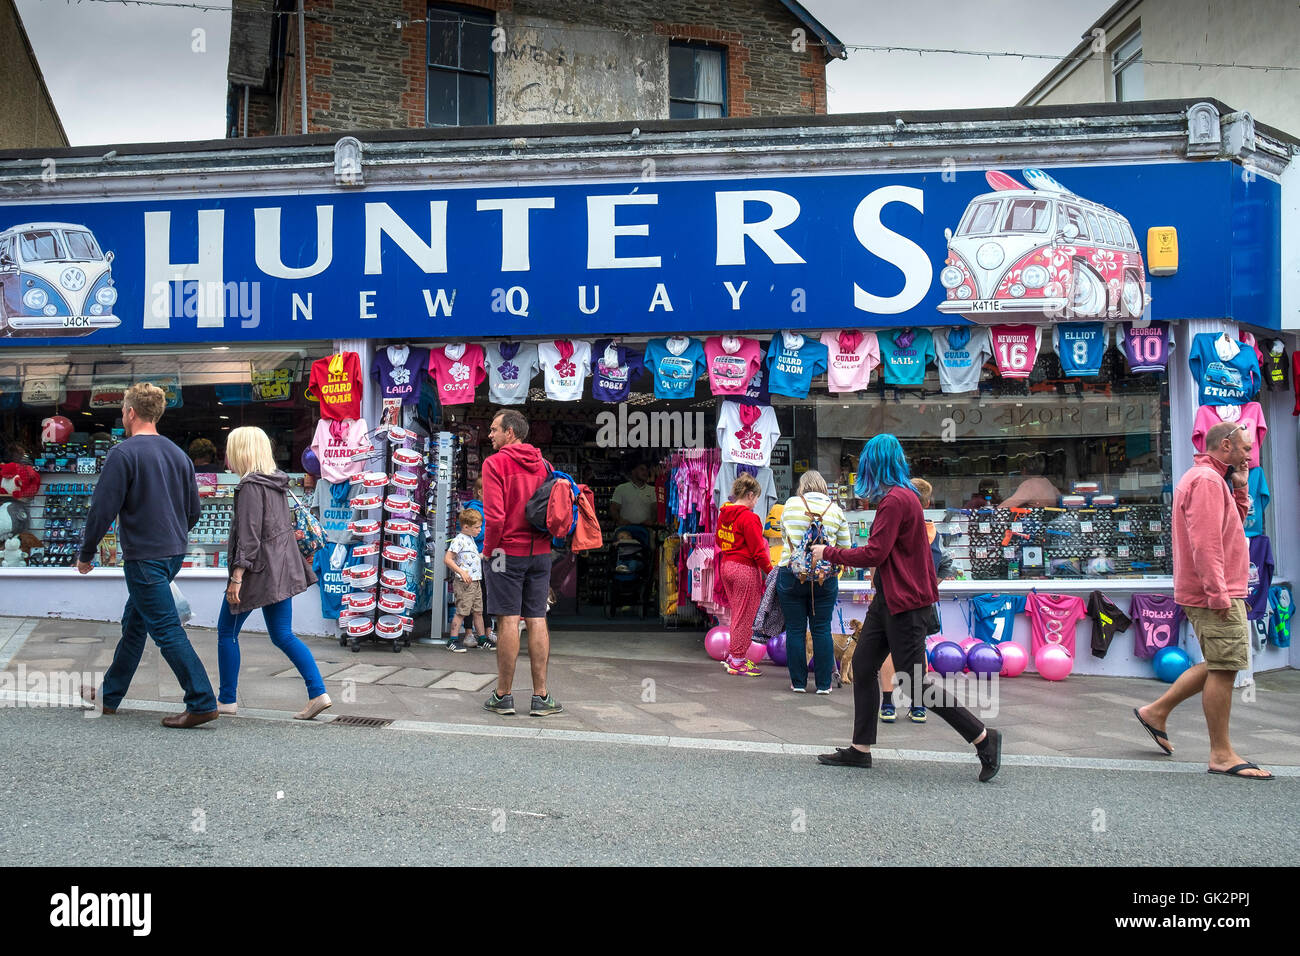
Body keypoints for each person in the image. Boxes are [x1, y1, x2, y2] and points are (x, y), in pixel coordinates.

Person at [812, 435, 1002, 782]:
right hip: (894, 600)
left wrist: (828, 552)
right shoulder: (904, 497)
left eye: (865, 463)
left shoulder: (894, 500)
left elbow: (874, 554)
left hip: (904, 604)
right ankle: (860, 749)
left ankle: (984, 738)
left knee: (915, 685)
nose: (861, 470)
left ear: (875, 464)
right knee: (866, 664)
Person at [1133, 421, 1273, 780]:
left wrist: (1240, 488)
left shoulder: (1212, 480)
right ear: (1225, 445)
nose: (1249, 455)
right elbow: (1205, 544)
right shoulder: (1207, 482)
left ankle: (1156, 712)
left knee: (1220, 663)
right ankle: (1222, 753)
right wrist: (1217, 593)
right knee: (1225, 668)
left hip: (1218, 588)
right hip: (1215, 592)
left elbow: (1231, 526)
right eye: (1244, 448)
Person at [76, 383, 219, 728]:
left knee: (166, 629)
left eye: (123, 411)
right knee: (135, 623)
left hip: (144, 556)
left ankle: (201, 700)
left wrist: (86, 553)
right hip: (171, 551)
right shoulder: (178, 454)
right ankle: (109, 697)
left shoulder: (124, 453)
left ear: (130, 412)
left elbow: (101, 509)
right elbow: (193, 510)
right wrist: (174, 534)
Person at [217, 426, 331, 720]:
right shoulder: (275, 483)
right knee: (282, 634)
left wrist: (236, 577)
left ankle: (227, 699)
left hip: (257, 571)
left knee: (226, 632)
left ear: (241, 451)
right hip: (280, 568)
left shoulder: (250, 486)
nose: (227, 455)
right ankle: (318, 692)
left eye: (231, 448)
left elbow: (250, 536)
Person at [481, 409, 562, 717]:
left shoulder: (494, 464)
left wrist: (488, 550)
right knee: (538, 617)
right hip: (541, 552)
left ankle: (503, 695)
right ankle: (541, 697)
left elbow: (496, 517)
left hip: (505, 553)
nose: (490, 435)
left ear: (510, 433)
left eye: (494, 429)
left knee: (508, 620)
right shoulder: (545, 465)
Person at [877, 477, 953, 724]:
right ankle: (917, 706)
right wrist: (929, 587)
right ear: (928, 502)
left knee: (888, 650)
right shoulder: (933, 532)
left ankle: (888, 704)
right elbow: (946, 566)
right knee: (918, 652)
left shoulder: (898, 525)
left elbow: (878, 560)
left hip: (894, 597)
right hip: (921, 601)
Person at [777, 470, 851, 694]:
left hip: (792, 574)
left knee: (795, 629)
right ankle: (823, 684)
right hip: (824, 578)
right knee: (821, 628)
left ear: (802, 486)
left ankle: (798, 682)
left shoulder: (790, 505)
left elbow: (784, 536)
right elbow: (846, 547)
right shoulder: (836, 510)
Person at [716, 473, 774, 677]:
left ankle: (734, 656)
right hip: (744, 569)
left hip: (727, 566)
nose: (757, 502)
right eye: (757, 497)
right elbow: (758, 551)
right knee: (745, 616)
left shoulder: (724, 513)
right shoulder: (749, 518)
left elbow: (718, 540)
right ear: (750, 495)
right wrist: (771, 572)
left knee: (737, 615)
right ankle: (738, 660)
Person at [445, 509, 488, 652]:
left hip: (475, 581)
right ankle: (452, 640)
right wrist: (461, 572)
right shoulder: (459, 540)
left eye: (480, 526)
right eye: (476, 527)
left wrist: (484, 555)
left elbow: (470, 559)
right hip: (464, 583)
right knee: (462, 611)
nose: (479, 530)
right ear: (466, 527)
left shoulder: (470, 540)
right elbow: (448, 559)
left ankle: (482, 638)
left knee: (478, 611)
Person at [610, 461, 656, 528]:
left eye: (647, 470)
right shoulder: (621, 488)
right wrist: (619, 520)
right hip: (625, 529)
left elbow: (655, 509)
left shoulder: (653, 490)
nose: (645, 472)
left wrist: (652, 521)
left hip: (646, 529)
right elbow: (613, 508)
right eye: (642, 469)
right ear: (633, 471)